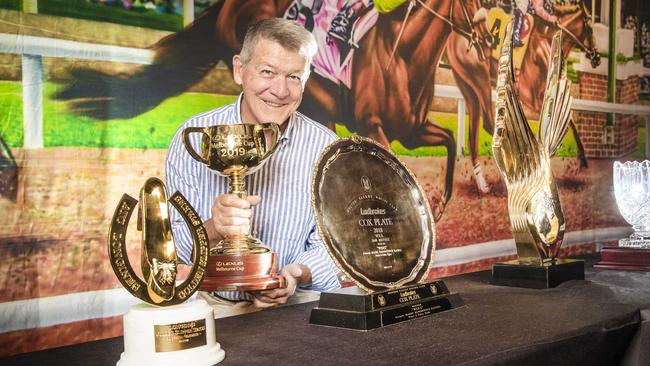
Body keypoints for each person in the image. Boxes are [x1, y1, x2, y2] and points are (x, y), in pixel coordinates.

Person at [166, 18, 341, 316]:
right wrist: (213, 228)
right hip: (214, 306)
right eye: (267, 72)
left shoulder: (326, 148)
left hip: (296, 304)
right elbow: (176, 249)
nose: (280, 90)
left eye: (294, 77)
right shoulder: (195, 135)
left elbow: (332, 245)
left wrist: (295, 275)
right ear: (239, 70)